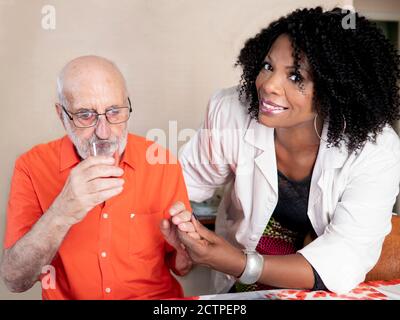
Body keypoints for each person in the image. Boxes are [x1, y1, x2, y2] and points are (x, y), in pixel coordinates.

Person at [170, 7, 400, 294]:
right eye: (268, 66)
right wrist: (178, 232)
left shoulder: (376, 150)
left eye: (295, 77)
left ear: (337, 90)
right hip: (242, 284)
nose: (268, 85)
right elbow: (179, 186)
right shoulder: (231, 111)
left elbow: (343, 259)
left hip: (320, 287)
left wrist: (239, 263)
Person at [0, 56, 192, 299]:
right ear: (62, 115)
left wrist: (186, 252)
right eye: (85, 115)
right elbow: (15, 280)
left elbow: (182, 267)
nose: (103, 132)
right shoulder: (31, 166)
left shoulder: (162, 162)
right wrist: (62, 211)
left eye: (114, 111)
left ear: (127, 105)